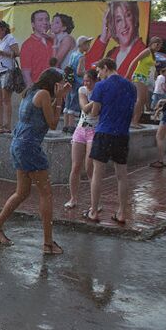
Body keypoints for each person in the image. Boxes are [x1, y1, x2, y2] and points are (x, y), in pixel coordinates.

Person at [0, 68, 70, 255]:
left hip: (19, 144)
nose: (63, 84)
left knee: (22, 192)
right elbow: (54, 123)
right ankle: (48, 243)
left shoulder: (32, 92)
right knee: (46, 193)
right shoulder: (43, 94)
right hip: (30, 147)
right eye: (61, 82)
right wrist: (60, 99)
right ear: (54, 83)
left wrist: (58, 96)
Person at [83, 58, 136, 224]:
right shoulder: (131, 86)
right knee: (122, 175)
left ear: (106, 68)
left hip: (104, 132)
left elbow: (94, 112)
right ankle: (121, 213)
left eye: (99, 71)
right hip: (122, 134)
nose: (98, 75)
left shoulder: (101, 86)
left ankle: (93, 211)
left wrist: (91, 109)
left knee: (98, 173)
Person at [85, 1, 147, 78]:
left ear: (135, 18)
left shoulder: (143, 52)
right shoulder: (112, 54)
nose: (124, 25)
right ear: (113, 26)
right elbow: (89, 71)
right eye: (118, 20)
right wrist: (103, 39)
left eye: (128, 16)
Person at [65, 69, 99, 209]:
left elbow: (96, 112)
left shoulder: (101, 90)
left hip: (95, 130)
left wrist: (98, 97)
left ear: (96, 81)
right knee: (75, 166)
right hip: (81, 129)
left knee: (90, 168)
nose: (87, 84)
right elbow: (85, 108)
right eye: (85, 81)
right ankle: (73, 198)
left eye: (90, 81)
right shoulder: (82, 90)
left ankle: (94, 203)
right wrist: (97, 99)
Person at [125, 36, 163, 128]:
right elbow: (134, 61)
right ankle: (133, 121)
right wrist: (128, 75)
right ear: (152, 43)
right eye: (157, 44)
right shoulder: (147, 51)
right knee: (140, 99)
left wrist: (155, 76)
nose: (158, 47)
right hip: (139, 76)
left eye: (160, 45)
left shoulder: (153, 55)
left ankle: (136, 120)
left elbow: (151, 68)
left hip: (145, 77)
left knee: (144, 100)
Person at [62, 36, 92, 132]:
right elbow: (79, 72)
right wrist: (87, 73)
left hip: (70, 82)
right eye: (87, 44)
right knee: (74, 104)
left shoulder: (73, 54)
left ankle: (65, 125)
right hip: (77, 82)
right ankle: (71, 126)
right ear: (82, 45)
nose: (89, 46)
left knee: (68, 103)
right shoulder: (81, 57)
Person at [20, 10, 53, 86]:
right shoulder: (27, 45)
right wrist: (32, 91)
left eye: (47, 19)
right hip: (38, 89)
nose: (45, 22)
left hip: (57, 90)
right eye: (40, 20)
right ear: (33, 24)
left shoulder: (53, 41)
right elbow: (26, 74)